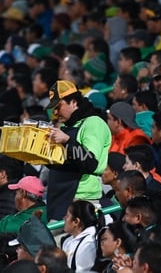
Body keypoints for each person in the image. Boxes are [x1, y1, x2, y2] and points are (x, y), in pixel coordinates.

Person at [46, 80, 111, 220]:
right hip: (59, 202)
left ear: (74, 102)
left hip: (81, 202)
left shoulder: (93, 123)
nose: (55, 113)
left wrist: (68, 141)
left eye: (58, 107)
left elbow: (90, 162)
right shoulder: (67, 128)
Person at [61, 200, 105, 272]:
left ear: (76, 222)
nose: (64, 218)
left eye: (67, 216)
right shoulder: (67, 240)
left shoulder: (90, 243)